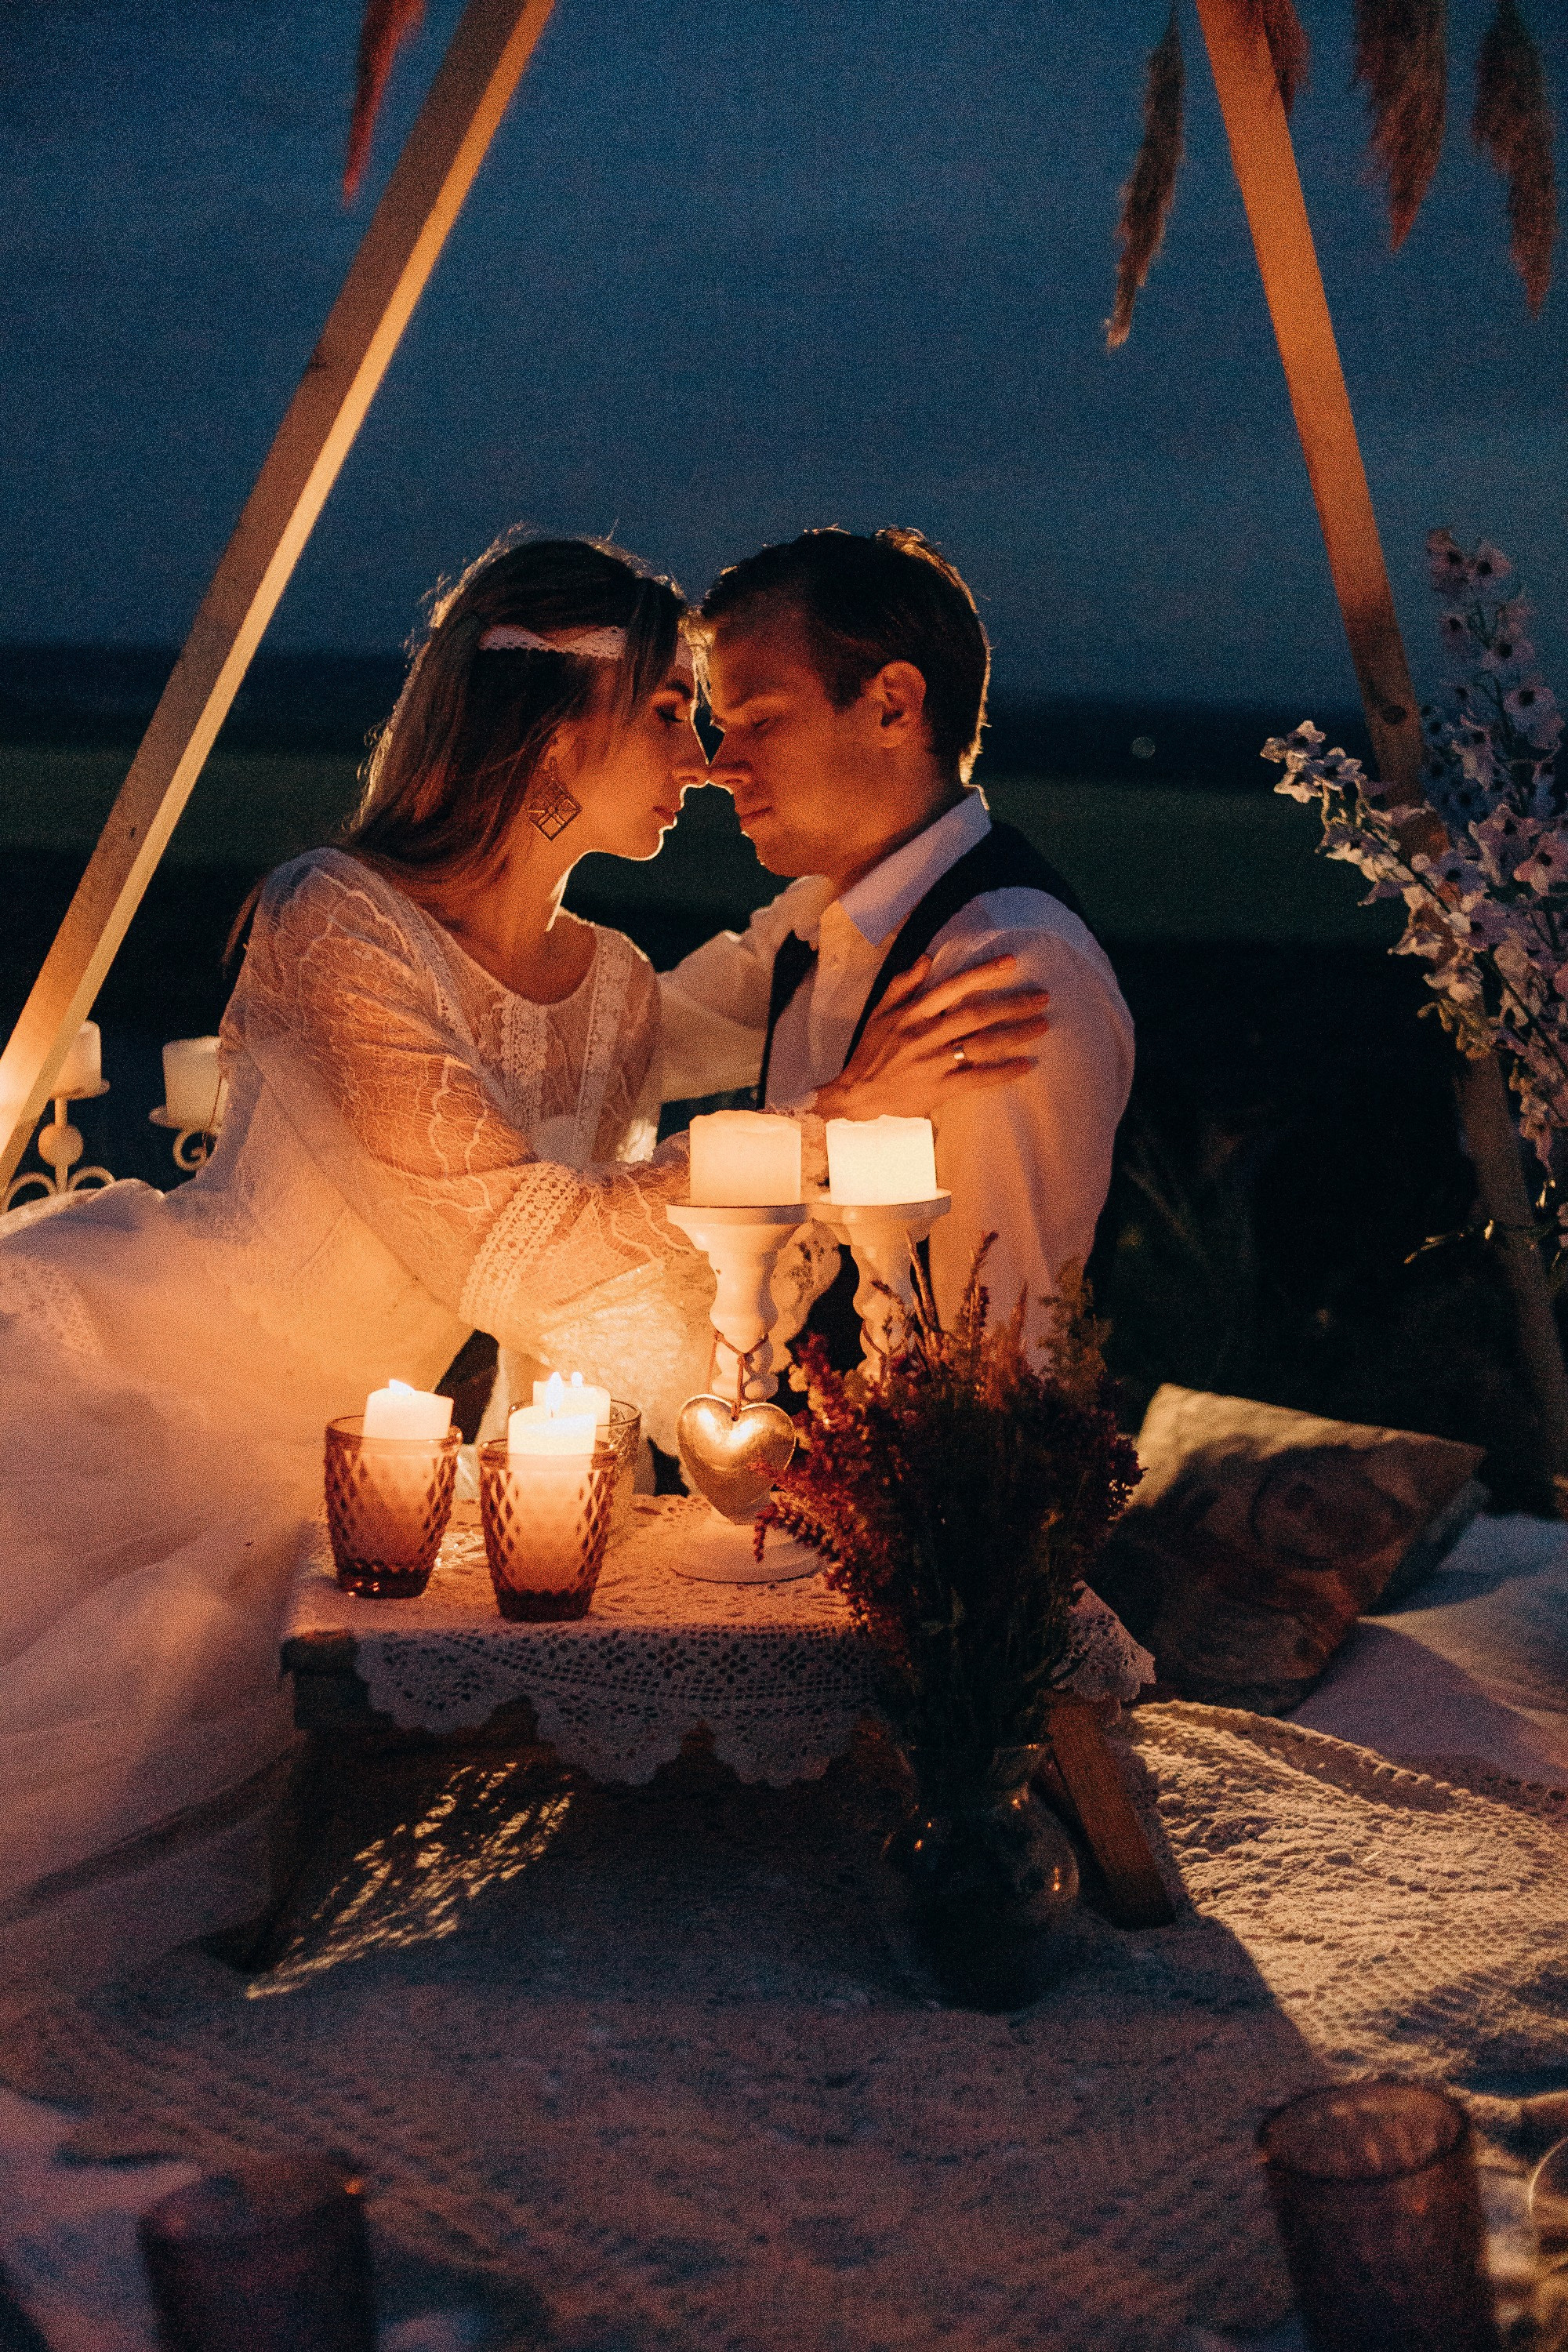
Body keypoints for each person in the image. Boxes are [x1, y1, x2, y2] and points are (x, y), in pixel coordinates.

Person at [0, 532, 1043, 1983]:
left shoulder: (613, 988)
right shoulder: (335, 920)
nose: (704, 757)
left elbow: (586, 1290)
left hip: (385, 1456)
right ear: (565, 731)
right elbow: (507, 1238)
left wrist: (735, 1427)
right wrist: (826, 1124)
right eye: (675, 714)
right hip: (171, 1388)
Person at [659, 527, 1134, 1352]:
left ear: (892, 705)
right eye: (720, 725)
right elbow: (632, 1036)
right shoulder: (809, 923)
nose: (718, 764)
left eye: (759, 721)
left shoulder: (1001, 965)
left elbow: (990, 1355)